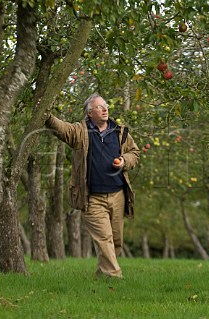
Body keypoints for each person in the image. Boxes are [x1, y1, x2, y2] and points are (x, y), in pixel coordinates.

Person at [45, 93, 140, 279]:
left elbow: (134, 153)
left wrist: (124, 160)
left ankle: (102, 274)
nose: (105, 109)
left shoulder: (120, 132)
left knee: (116, 241)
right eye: (99, 107)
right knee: (104, 238)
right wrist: (47, 116)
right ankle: (114, 276)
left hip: (118, 194)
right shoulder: (80, 132)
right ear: (89, 113)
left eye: (105, 106)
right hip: (93, 197)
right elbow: (63, 129)